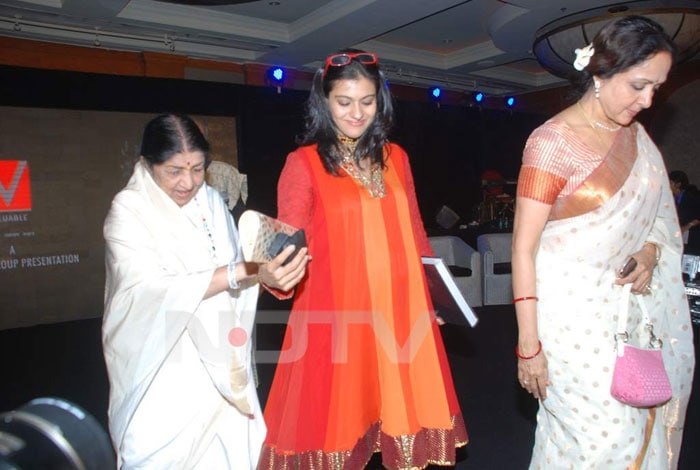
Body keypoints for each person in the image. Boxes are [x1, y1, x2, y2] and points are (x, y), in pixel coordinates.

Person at [259, 50, 467, 469]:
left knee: (398, 413)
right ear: (325, 101)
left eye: (367, 101)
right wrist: (273, 272)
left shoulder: (397, 158)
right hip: (337, 313)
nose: (357, 113)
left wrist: (434, 298)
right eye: (344, 101)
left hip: (398, 310)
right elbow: (286, 242)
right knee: (338, 424)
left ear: (381, 101)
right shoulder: (303, 164)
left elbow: (415, 232)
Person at [511, 16, 695, 469]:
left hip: (626, 316)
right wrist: (529, 346)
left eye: (657, 87)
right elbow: (523, 249)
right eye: (638, 85)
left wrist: (651, 251)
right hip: (565, 320)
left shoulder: (636, 138)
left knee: (634, 432)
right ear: (601, 72)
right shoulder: (551, 143)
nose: (648, 100)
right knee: (605, 439)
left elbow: (658, 221)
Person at [102, 114, 308, 468]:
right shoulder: (128, 211)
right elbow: (147, 293)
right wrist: (242, 271)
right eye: (175, 171)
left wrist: (265, 276)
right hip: (161, 366)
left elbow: (234, 286)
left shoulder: (211, 202)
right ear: (147, 165)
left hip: (218, 360)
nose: (189, 182)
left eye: (198, 169)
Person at [669, 170, 700, 255]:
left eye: (670, 183)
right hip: (681, 240)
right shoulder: (672, 199)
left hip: (694, 239)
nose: (668, 186)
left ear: (678, 184)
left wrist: (687, 226)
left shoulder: (691, 197)